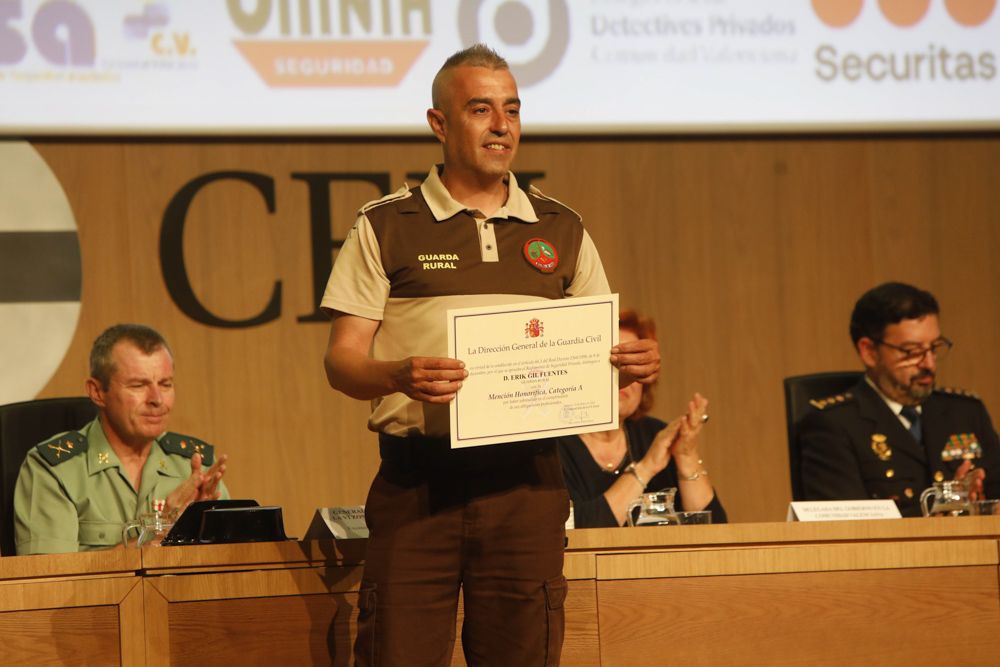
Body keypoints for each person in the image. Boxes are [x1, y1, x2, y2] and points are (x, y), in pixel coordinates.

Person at [321, 44, 659, 667]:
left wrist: (627, 364)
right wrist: (397, 374)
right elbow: (342, 361)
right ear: (439, 124)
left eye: (512, 110)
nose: (501, 126)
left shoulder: (561, 228)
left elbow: (596, 348)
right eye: (480, 109)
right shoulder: (386, 224)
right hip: (418, 483)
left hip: (526, 485)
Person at [14, 324, 229, 554]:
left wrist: (209, 533)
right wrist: (160, 535)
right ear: (97, 392)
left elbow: (232, 565)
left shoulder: (196, 467)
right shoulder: (53, 470)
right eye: (138, 385)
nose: (157, 399)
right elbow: (51, 578)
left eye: (165, 384)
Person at [798, 282, 1000, 517]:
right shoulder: (833, 425)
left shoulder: (965, 412)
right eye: (912, 352)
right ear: (869, 352)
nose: (929, 364)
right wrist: (942, 510)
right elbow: (845, 532)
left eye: (934, 348)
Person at [557, 309, 726, 527]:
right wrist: (646, 467)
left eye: (633, 366)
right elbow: (577, 532)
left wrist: (686, 455)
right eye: (611, 364)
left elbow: (713, 532)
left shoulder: (655, 435)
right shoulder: (552, 448)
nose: (622, 376)